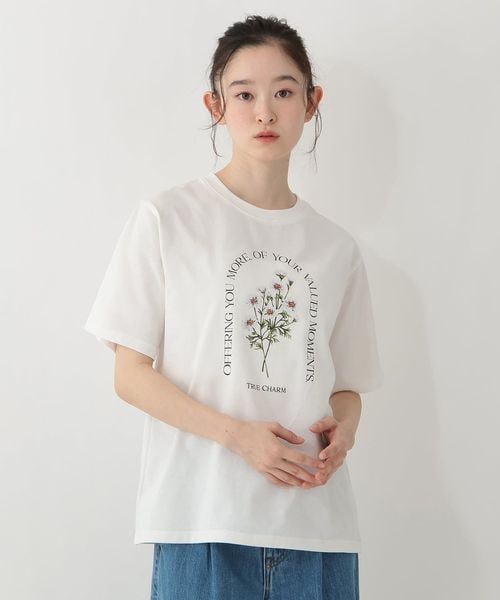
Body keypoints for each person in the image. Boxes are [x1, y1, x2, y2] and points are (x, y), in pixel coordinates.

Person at [83, 14, 384, 600]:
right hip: (203, 522)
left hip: (317, 528)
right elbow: (130, 374)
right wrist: (236, 436)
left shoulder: (336, 248)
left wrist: (344, 432)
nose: (264, 112)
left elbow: (348, 386)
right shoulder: (169, 218)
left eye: (284, 92)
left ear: (312, 102)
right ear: (215, 106)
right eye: (244, 95)